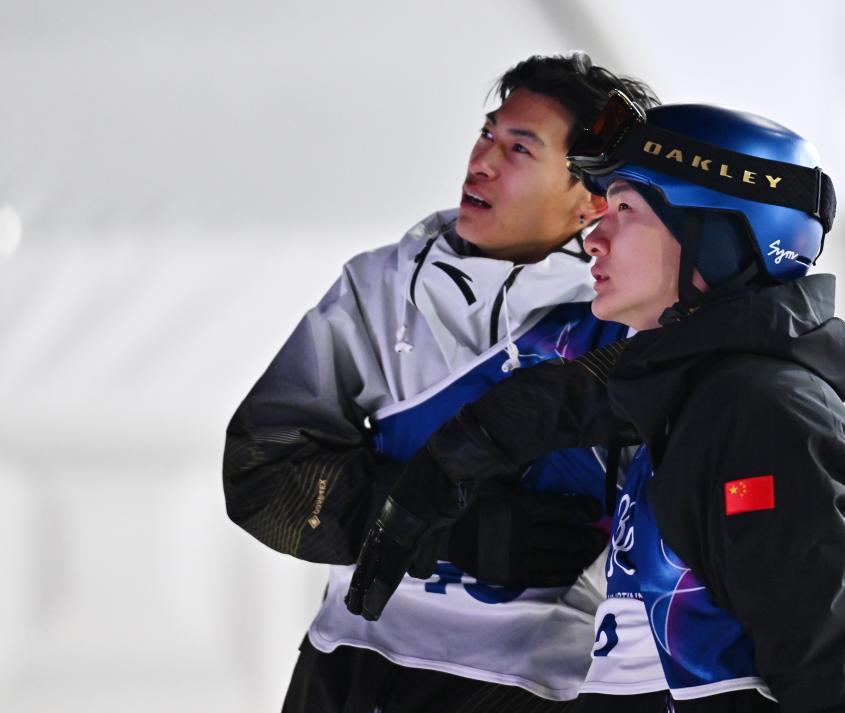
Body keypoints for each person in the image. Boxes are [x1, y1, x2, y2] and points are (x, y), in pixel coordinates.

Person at [347, 93, 845, 712]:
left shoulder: (760, 420)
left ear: (716, 235)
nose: (593, 239)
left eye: (625, 209)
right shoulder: (699, 392)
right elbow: (569, 397)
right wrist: (439, 472)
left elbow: (827, 683)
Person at [222, 54, 659, 712]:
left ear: (591, 199)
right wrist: (442, 526)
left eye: (519, 148)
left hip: (536, 685)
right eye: (487, 134)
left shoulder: (627, 315)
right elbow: (260, 469)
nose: (481, 161)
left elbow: (676, 523)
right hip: (348, 664)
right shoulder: (378, 286)